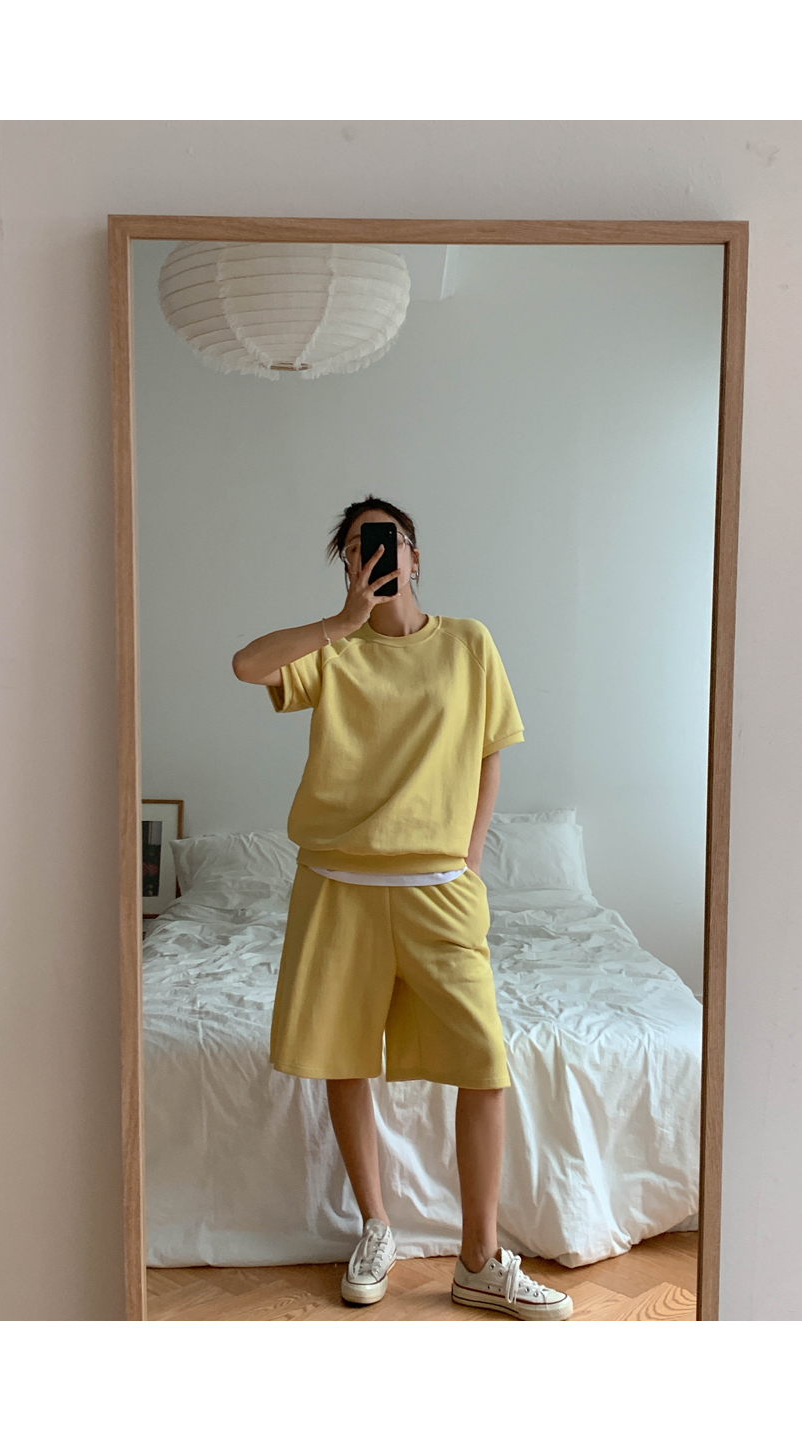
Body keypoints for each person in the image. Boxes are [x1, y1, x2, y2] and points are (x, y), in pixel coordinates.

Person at [232, 496, 573, 1322]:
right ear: (348, 565)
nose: (376, 556)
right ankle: (376, 1225)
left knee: (484, 1062)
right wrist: (339, 621)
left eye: (387, 542)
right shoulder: (333, 651)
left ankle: (479, 1258)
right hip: (338, 887)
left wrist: (472, 856)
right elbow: (246, 665)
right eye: (358, 547)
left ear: (415, 555)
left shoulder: (468, 643)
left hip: (439, 890)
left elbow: (491, 752)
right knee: (344, 1054)